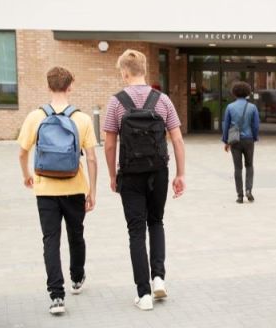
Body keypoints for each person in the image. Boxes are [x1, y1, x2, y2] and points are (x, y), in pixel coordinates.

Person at [104, 49, 186, 311]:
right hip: (158, 172)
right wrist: (180, 174)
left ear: (125, 72)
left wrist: (111, 174)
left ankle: (144, 294)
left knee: (136, 231)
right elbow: (177, 139)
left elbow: (108, 144)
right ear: (145, 70)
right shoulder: (162, 100)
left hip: (130, 173)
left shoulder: (116, 102)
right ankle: (159, 277)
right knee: (156, 221)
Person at [17, 66, 98, 315]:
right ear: (70, 86)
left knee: (50, 241)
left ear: (48, 86)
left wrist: (27, 176)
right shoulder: (82, 119)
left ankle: (56, 297)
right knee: (76, 235)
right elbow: (92, 158)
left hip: (45, 190)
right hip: (75, 187)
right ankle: (77, 277)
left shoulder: (35, 117)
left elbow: (22, 152)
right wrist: (91, 191)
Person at [222, 81, 260, 203]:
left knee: (237, 168)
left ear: (234, 92)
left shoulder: (230, 107)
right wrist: (254, 137)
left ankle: (240, 195)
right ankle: (249, 189)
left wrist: (226, 141)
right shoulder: (252, 107)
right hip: (248, 139)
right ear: (247, 93)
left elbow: (226, 125)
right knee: (249, 165)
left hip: (235, 141)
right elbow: (256, 126)